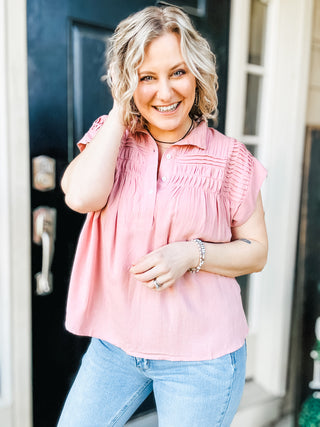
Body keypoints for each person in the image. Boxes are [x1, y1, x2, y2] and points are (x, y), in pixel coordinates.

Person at [58, 5, 268, 427]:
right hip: (115, 347)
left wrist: (192, 254)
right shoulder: (111, 137)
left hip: (202, 359)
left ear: (197, 74)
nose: (166, 92)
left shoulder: (230, 159)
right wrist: (122, 109)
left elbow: (256, 252)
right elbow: (80, 196)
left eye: (178, 72)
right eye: (147, 77)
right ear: (127, 81)